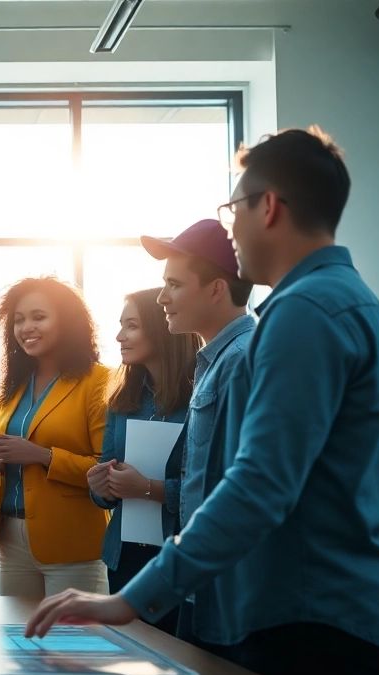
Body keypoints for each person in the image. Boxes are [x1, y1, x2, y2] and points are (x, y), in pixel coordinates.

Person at [27, 127, 379, 675]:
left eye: (232, 209)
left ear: (269, 207)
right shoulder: (358, 306)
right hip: (322, 617)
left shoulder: (302, 314)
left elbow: (257, 486)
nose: (230, 228)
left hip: (301, 626)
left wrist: (132, 598)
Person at [146, 218, 255, 639]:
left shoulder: (242, 361)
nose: (161, 297)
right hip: (203, 581)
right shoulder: (216, 361)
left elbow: (239, 489)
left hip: (227, 587)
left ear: (216, 288)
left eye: (174, 284)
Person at [0, 277, 112, 598]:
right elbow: (4, 464)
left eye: (39, 317)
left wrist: (42, 455)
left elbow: (106, 471)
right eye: (19, 319)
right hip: (11, 538)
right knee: (17, 643)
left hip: (72, 542)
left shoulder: (99, 381)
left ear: (67, 321)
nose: (27, 327)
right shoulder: (12, 385)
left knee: (72, 646)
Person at [87, 287, 198, 600]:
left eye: (131, 326)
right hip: (125, 556)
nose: (120, 336)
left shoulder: (201, 398)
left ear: (163, 330)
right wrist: (99, 485)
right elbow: (106, 476)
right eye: (121, 325)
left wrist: (149, 488)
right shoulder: (122, 398)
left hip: (181, 554)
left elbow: (210, 488)